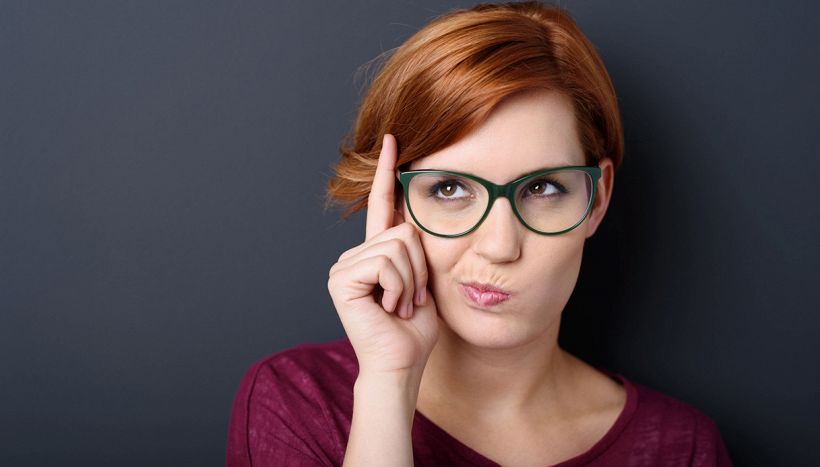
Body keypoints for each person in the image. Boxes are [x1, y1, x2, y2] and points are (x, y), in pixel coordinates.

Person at [226, 1, 733, 465]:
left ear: (596, 200)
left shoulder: (681, 448)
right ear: (396, 203)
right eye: (448, 189)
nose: (499, 246)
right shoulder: (295, 402)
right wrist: (389, 383)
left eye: (542, 188)